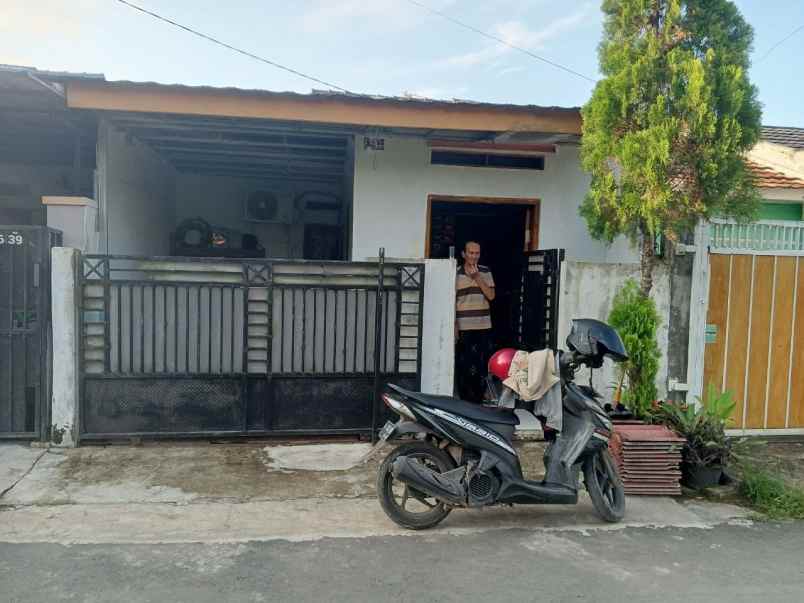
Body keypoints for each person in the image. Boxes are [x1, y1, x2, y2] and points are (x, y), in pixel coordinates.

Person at [455, 241, 495, 403]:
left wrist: (477, 277)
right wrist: (455, 326)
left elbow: (491, 296)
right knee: (464, 364)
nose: (474, 256)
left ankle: (479, 397)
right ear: (464, 254)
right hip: (464, 326)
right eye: (471, 253)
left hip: (483, 325)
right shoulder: (456, 273)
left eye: (477, 253)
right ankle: (464, 399)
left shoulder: (485, 271)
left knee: (481, 363)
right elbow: (452, 301)